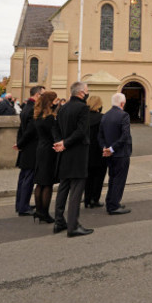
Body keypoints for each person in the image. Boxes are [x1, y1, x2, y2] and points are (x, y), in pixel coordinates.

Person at [52, 82, 93, 238]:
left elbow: (54, 127)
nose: (87, 94)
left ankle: (59, 221)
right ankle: (73, 226)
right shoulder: (82, 108)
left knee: (64, 187)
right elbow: (82, 131)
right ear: (81, 93)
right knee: (76, 189)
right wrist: (65, 143)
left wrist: (59, 142)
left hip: (64, 152)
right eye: (87, 91)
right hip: (77, 153)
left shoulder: (63, 107)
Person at [99, 92, 133, 215]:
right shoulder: (124, 115)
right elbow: (125, 135)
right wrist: (112, 148)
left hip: (109, 154)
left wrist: (105, 148)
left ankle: (111, 202)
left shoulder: (105, 115)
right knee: (119, 179)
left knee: (112, 178)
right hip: (120, 153)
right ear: (122, 103)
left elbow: (100, 135)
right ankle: (113, 206)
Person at [13, 85, 44, 216]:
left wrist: (20, 144)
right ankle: (23, 206)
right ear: (37, 95)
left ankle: (20, 204)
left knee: (23, 177)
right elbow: (30, 131)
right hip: (31, 148)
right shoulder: (33, 109)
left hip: (26, 147)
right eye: (43, 95)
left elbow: (22, 130)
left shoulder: (26, 107)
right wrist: (21, 143)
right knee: (28, 178)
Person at [32, 91, 60, 223]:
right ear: (50, 101)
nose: (57, 103)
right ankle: (44, 213)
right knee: (47, 183)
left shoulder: (37, 116)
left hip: (40, 149)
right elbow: (54, 135)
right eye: (55, 100)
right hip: (49, 150)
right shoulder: (49, 118)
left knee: (40, 183)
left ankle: (38, 211)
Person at [84, 95, 107, 209]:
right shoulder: (102, 118)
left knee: (88, 177)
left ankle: (87, 199)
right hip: (99, 151)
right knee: (99, 177)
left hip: (86, 151)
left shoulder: (83, 118)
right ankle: (95, 199)